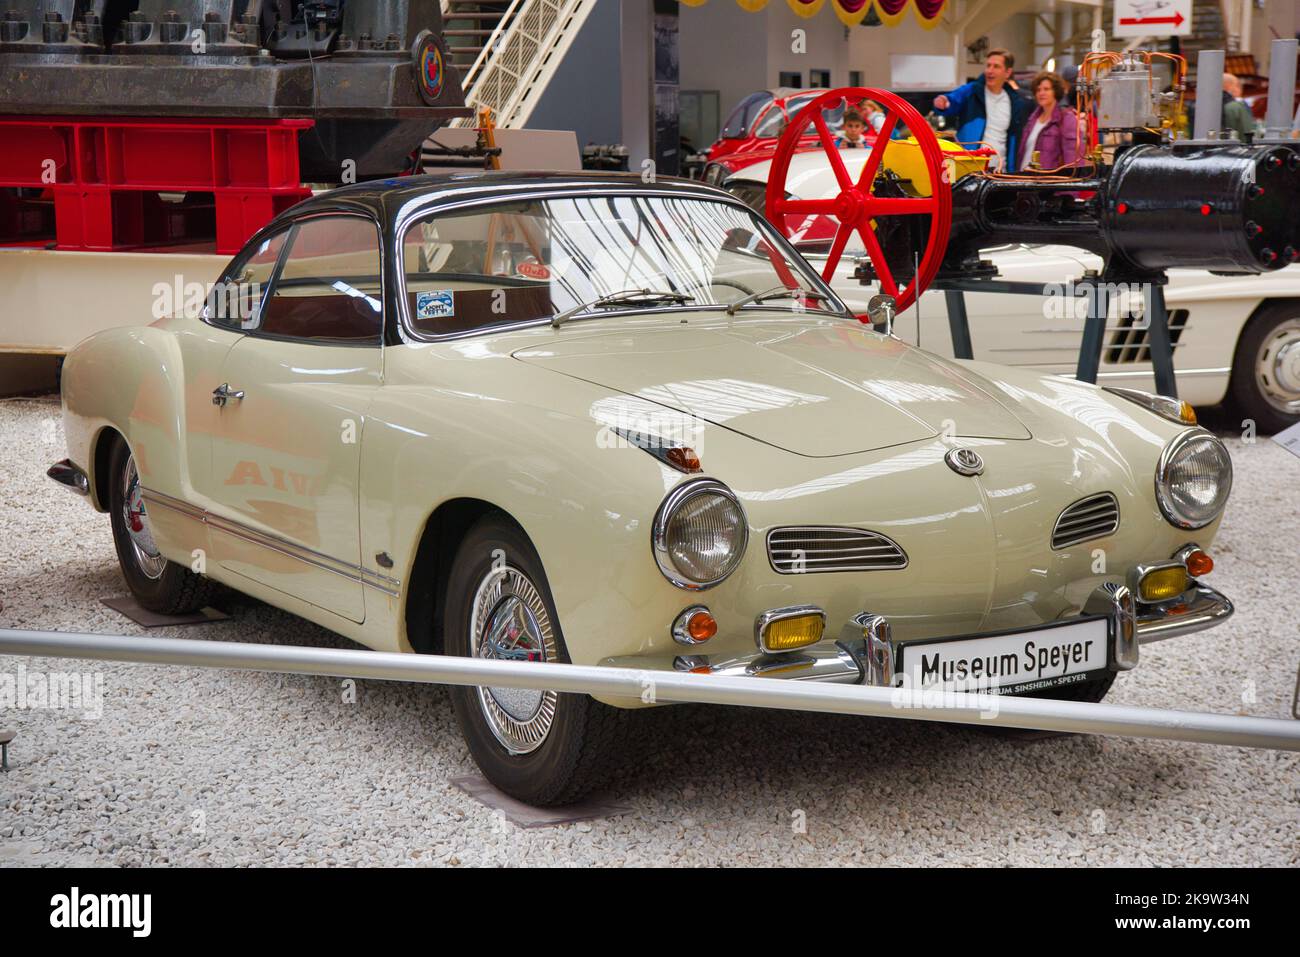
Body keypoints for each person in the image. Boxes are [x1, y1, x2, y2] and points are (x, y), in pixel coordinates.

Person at [932, 49, 1031, 172]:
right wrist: (944, 102)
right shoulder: (972, 90)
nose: (990, 70)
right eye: (988, 65)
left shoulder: (1015, 101)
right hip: (969, 169)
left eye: (996, 66)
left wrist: (1012, 171)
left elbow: (1013, 140)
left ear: (1007, 72)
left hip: (1000, 172)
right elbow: (952, 100)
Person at [1018, 71, 1082, 171]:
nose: (1041, 93)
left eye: (1046, 89)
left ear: (1055, 91)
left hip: (1049, 182)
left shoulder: (1066, 119)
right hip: (1025, 179)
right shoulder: (1032, 119)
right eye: (1038, 90)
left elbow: (1073, 158)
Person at [1222, 73, 1255, 140]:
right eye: (1238, 85)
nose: (1240, 90)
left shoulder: (1203, 104)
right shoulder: (1236, 106)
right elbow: (1246, 132)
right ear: (1230, 86)